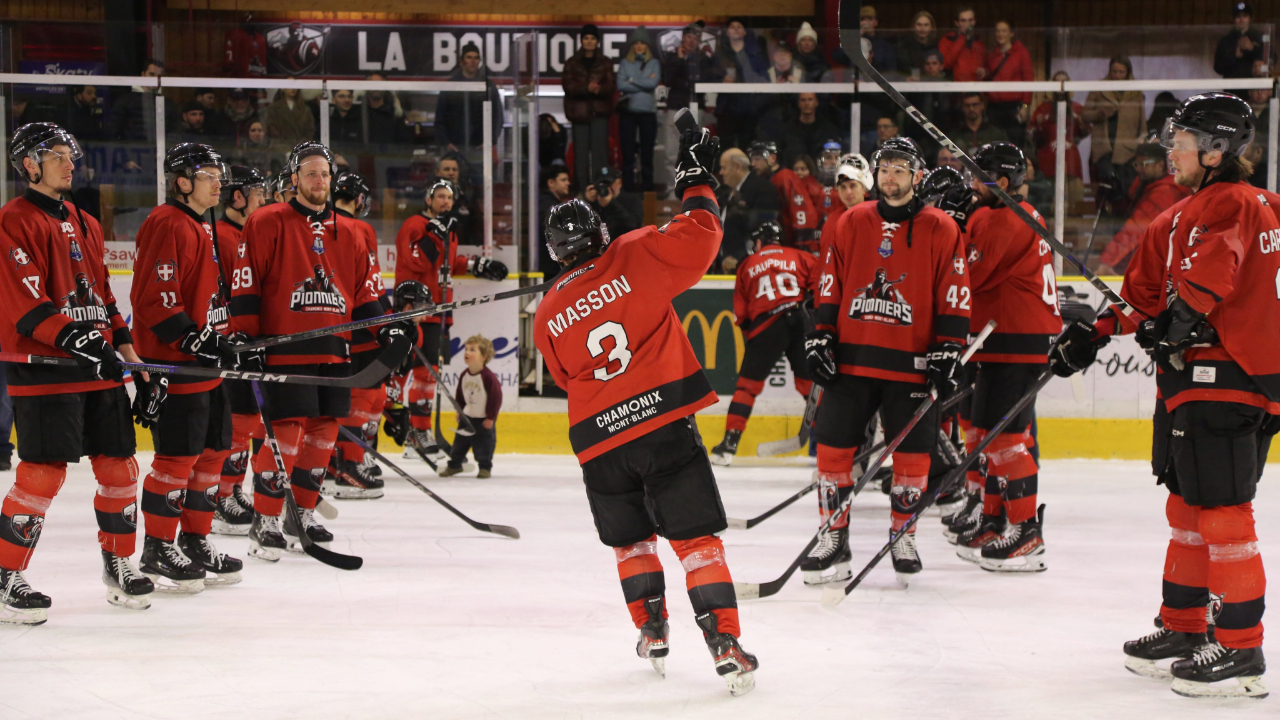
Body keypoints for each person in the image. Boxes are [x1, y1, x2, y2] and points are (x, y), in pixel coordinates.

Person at [1050, 92, 1275, 699]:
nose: (1168, 152)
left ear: (1216, 149)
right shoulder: (1174, 217)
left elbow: (1207, 285)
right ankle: (1184, 627)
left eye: (1179, 143)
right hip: (1188, 381)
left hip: (1228, 377)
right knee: (1188, 509)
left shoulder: (1238, 203)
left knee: (1225, 515)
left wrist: (1174, 322)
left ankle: (1240, 649)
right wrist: (1089, 336)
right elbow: (1140, 297)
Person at [533, 125, 759, 695]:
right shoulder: (631, 254)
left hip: (598, 443)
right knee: (697, 543)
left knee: (632, 542)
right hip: (659, 425)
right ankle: (724, 642)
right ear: (600, 233)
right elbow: (704, 236)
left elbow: (563, 377)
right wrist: (699, 185)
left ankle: (652, 631)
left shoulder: (546, 312)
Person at [0, 123, 152, 621]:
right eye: (59, 156)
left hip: (98, 366)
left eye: (72, 154)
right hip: (45, 368)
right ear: (29, 165)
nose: (71, 163)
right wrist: (83, 341)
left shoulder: (86, 220)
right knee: (42, 474)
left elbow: (104, 294)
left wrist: (131, 354)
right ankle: (6, 574)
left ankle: (119, 563)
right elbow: (26, 302)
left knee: (120, 468)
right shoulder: (12, 220)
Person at [804, 137, 970, 587]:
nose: (891, 177)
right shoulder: (850, 221)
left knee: (913, 459)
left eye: (900, 169)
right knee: (833, 454)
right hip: (851, 361)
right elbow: (830, 282)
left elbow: (954, 291)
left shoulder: (941, 227)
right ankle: (832, 539)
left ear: (917, 176)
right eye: (885, 169)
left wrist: (949, 346)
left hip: (911, 364)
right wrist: (821, 335)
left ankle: (903, 536)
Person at [230, 142, 395, 561]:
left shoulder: (353, 231)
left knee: (322, 434)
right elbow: (247, 284)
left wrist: (387, 330)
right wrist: (246, 339)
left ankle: (300, 512)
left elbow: (365, 294)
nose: (319, 180)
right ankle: (264, 520)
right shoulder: (267, 222)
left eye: (324, 173)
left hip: (335, 349)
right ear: (294, 179)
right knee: (284, 434)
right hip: (286, 346)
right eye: (310, 173)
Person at [938, 142, 1057, 571]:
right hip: (1005, 338)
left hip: (1014, 339)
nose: (971, 186)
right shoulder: (1014, 214)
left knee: (1004, 440)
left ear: (1002, 183)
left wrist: (952, 228)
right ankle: (992, 518)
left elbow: (968, 275)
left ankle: (1027, 534)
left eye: (977, 177)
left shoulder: (1000, 219)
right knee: (987, 435)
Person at [130, 143, 244, 592]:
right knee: (176, 459)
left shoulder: (200, 225)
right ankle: (158, 546)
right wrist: (194, 338)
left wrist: (224, 338)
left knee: (212, 451)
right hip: (176, 365)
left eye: (220, 173)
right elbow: (153, 299)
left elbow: (203, 299)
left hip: (203, 366)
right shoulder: (167, 221)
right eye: (208, 175)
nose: (219, 182)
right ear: (182, 182)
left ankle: (194, 539)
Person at [394, 179, 508, 466]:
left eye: (449, 197)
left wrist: (477, 266)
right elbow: (418, 261)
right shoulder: (414, 224)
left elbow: (448, 262)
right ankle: (413, 435)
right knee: (414, 372)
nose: (446, 202)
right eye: (440, 196)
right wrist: (436, 235)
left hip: (439, 312)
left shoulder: (448, 231)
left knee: (428, 373)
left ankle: (420, 433)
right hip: (414, 312)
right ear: (429, 199)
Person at [710, 220, 817, 466]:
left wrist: (756, 342)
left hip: (767, 325)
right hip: (800, 319)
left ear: (759, 242)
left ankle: (729, 444)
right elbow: (819, 289)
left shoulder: (748, 264)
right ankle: (831, 442)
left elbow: (742, 315)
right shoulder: (801, 256)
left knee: (747, 388)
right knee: (810, 386)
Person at [325, 172, 391, 499]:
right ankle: (348, 467)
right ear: (358, 198)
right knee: (363, 395)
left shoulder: (319, 223)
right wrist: (387, 320)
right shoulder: (359, 228)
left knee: (336, 397)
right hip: (361, 324)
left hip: (329, 322)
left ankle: (332, 464)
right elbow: (371, 282)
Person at [211, 165, 266, 536]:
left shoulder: (245, 233)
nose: (264, 199)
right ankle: (218, 495)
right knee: (235, 421)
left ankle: (231, 487)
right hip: (230, 344)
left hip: (245, 341)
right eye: (257, 192)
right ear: (238, 197)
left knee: (246, 420)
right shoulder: (225, 237)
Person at [1096, 142, 1191, 275]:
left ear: (1160, 165)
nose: (1139, 169)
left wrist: (1107, 261)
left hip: (1156, 265)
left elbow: (1135, 229)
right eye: (1137, 164)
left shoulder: (1164, 193)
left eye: (1144, 164)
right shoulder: (1144, 186)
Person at [439, 335, 503, 479]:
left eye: (472, 350)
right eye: (466, 349)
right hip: (466, 417)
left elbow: (495, 398)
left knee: (484, 446)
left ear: (483, 357)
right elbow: (460, 395)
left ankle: (485, 468)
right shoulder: (464, 375)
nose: (467, 353)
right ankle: (454, 465)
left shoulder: (488, 377)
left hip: (483, 420)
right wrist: (460, 411)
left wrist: (491, 417)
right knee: (459, 444)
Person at [563, 24, 616, 190]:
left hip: (600, 113)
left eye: (593, 38)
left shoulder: (605, 62)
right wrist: (586, 88)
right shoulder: (572, 63)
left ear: (597, 41)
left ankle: (600, 190)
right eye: (586, 38)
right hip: (579, 114)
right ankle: (583, 191)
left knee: (600, 155)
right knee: (580, 156)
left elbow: (611, 86)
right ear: (581, 40)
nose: (589, 41)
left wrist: (598, 89)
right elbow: (567, 86)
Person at [1028, 71, 1089, 213]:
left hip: (1072, 164)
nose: (1061, 85)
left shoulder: (1077, 109)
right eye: (1058, 82)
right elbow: (1032, 135)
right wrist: (1038, 125)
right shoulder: (1043, 109)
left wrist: (1082, 123)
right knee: (1049, 207)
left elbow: (1084, 132)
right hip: (1048, 165)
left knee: (1076, 207)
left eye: (1064, 81)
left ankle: (1075, 236)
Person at [1081, 55, 1147, 187]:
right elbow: (1085, 115)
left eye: (1121, 72)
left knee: (1125, 188)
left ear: (1128, 72)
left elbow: (1142, 123)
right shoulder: (1099, 88)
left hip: (1127, 149)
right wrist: (1100, 113)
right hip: (1103, 148)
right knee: (1105, 186)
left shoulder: (1135, 92)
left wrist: (1140, 142)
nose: (1117, 75)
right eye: (1114, 71)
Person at [715, 147, 779, 272]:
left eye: (724, 167)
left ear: (738, 167)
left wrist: (739, 257)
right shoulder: (724, 192)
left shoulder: (763, 189)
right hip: (722, 265)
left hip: (748, 266)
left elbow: (762, 230)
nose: (721, 173)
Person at [752, 141, 821, 251]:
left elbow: (801, 209)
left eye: (757, 159)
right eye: (752, 159)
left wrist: (804, 243)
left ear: (772, 158)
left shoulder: (785, 177)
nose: (753, 164)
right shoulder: (766, 180)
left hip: (792, 246)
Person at [434, 44, 504, 153]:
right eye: (469, 57)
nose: (473, 61)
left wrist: (489, 142)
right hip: (455, 148)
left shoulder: (488, 86)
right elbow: (440, 118)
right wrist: (446, 143)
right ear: (462, 61)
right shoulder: (451, 85)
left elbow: (498, 117)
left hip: (481, 148)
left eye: (476, 58)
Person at [713, 18, 768, 152]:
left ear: (744, 32)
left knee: (747, 146)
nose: (736, 29)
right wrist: (721, 80)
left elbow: (765, 77)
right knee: (726, 146)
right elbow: (711, 75)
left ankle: (748, 173)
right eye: (732, 27)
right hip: (727, 106)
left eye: (739, 26)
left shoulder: (755, 54)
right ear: (727, 33)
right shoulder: (720, 54)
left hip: (750, 106)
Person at [617, 28, 661, 192]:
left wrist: (632, 80)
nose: (639, 46)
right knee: (628, 154)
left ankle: (647, 188)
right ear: (632, 45)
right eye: (636, 43)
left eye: (643, 43)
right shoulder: (624, 63)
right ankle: (627, 188)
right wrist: (643, 81)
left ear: (647, 46)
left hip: (648, 114)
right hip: (628, 113)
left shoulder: (654, 63)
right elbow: (620, 84)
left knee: (647, 154)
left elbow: (653, 83)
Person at [984, 21, 1033, 146]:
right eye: (997, 31)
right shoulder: (992, 56)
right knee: (994, 143)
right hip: (994, 107)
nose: (1000, 34)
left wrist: (1025, 107)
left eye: (1004, 31)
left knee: (1015, 142)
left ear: (1011, 33)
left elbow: (1028, 80)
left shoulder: (1022, 53)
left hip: (1014, 107)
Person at [105, 59, 164, 142]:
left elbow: (173, 132)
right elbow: (112, 131)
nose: (155, 79)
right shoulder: (125, 101)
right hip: (132, 152)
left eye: (159, 76)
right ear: (143, 74)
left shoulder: (166, 103)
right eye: (152, 74)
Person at [778, 93, 840, 167]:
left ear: (816, 102)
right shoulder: (788, 129)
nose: (807, 103)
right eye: (803, 100)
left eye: (810, 100)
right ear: (798, 103)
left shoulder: (828, 129)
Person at [584, 165, 641, 238]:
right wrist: (588, 203)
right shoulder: (594, 201)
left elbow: (633, 226)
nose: (607, 188)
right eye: (602, 184)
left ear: (619, 183)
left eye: (609, 183)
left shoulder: (632, 200)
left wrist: (611, 204)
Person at [1215, 2, 1266, 79]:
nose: (1241, 19)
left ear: (1250, 18)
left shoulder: (1259, 37)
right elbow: (1218, 68)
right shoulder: (1225, 40)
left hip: (1253, 86)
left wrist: (1253, 49)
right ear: (1233, 19)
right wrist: (1234, 56)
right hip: (1232, 85)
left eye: (1245, 16)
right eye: (1238, 16)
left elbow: (1272, 58)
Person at [538, 165, 573, 276]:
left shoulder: (549, 204)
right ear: (551, 183)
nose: (568, 183)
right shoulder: (548, 206)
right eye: (563, 180)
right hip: (550, 268)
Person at [939, 6, 985, 82]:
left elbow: (985, 66)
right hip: (955, 88)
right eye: (963, 21)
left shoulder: (979, 43)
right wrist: (962, 38)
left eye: (970, 20)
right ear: (957, 23)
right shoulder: (947, 39)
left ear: (974, 22)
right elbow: (945, 64)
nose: (967, 24)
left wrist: (984, 71)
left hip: (976, 87)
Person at [265, 86, 316, 153]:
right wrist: (285, 149)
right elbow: (272, 131)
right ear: (283, 88)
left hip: (301, 151)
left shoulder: (305, 110)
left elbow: (310, 131)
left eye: (295, 86)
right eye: (290, 86)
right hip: (279, 152)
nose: (293, 88)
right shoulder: (273, 109)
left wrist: (299, 147)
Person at [897, 11, 939, 76]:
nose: (922, 29)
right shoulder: (905, 46)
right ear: (913, 27)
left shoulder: (937, 45)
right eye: (919, 25)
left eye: (926, 25)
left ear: (932, 28)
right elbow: (904, 68)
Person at [858, 5, 897, 73]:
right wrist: (858, 35)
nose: (865, 22)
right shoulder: (853, 41)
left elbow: (891, 68)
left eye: (869, 19)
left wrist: (873, 59)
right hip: (855, 81)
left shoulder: (884, 44)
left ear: (876, 22)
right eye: (862, 19)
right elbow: (837, 56)